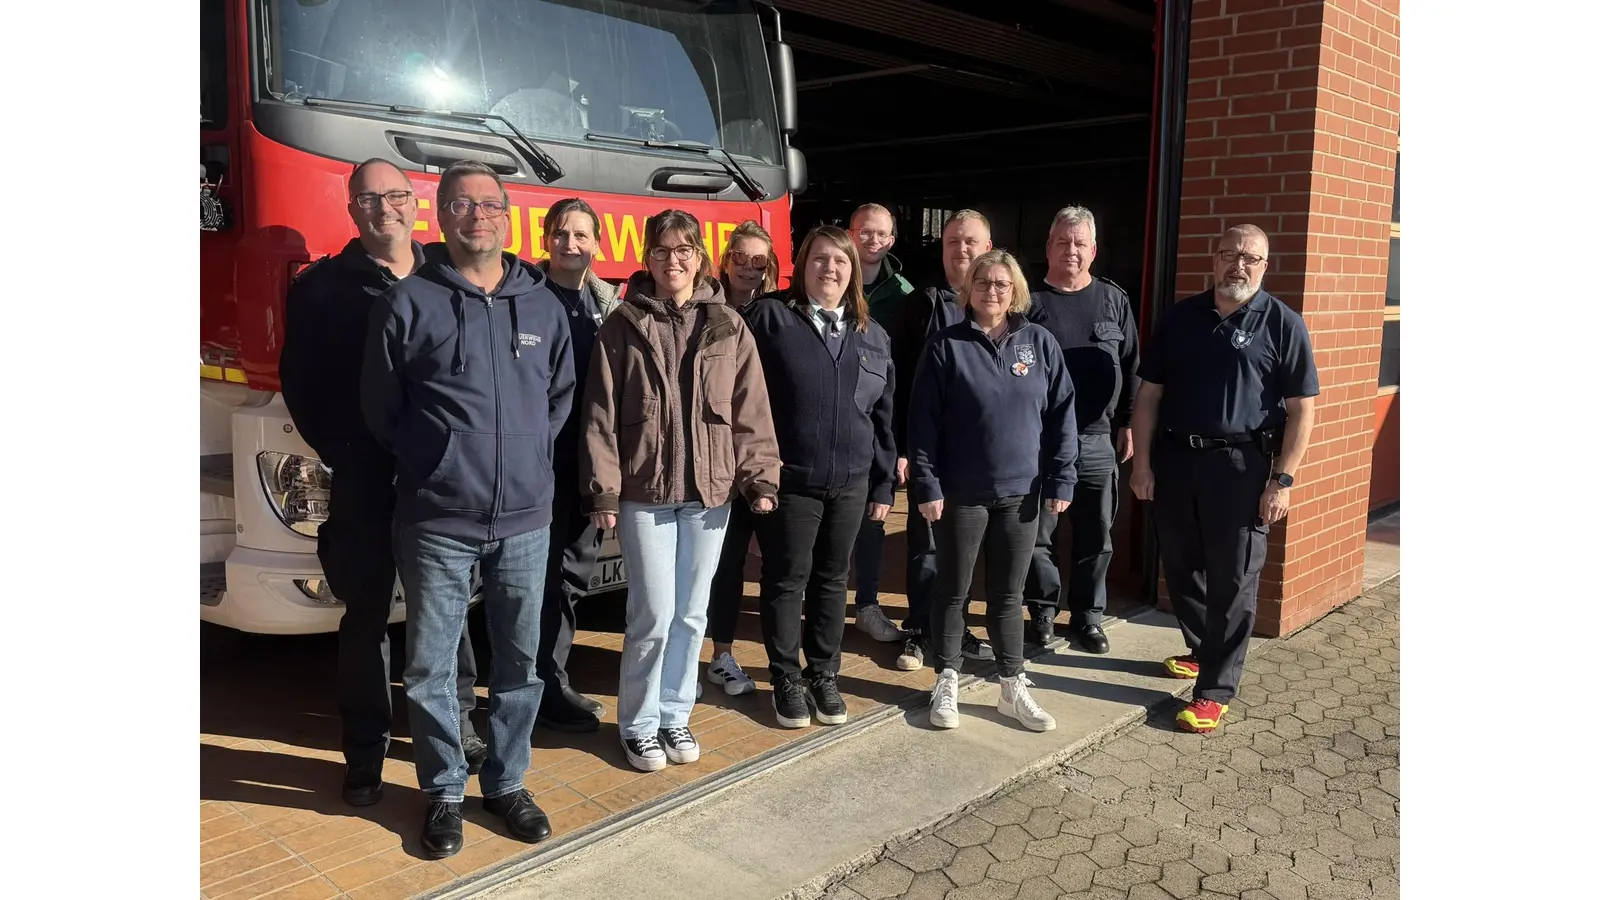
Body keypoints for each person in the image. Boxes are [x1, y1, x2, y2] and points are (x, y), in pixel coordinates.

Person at [362, 160, 574, 858]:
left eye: (488, 203)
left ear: (507, 214)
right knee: (428, 669)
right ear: (440, 216)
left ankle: (507, 783)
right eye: (460, 204)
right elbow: (381, 408)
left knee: (519, 664)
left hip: (525, 520)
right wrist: (440, 461)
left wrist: (525, 466)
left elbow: (559, 400)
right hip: (436, 520)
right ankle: (445, 792)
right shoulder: (408, 302)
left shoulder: (542, 304)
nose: (476, 214)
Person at [279, 158, 486, 808]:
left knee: (446, 613)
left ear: (414, 205)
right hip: (365, 479)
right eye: (368, 199)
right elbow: (301, 385)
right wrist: (342, 450)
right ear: (352, 211)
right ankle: (365, 754)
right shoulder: (320, 290)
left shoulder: (450, 278)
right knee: (365, 619)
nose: (383, 209)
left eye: (395, 196)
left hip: (438, 480)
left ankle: (459, 730)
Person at [581, 209, 781, 772]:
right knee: (652, 612)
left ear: (700, 257)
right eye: (663, 250)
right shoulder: (621, 324)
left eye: (685, 250)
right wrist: (603, 491)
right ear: (647, 258)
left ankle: (675, 715)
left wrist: (760, 476)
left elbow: (751, 409)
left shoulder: (727, 324)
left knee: (692, 614)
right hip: (644, 492)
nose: (675, 260)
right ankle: (638, 724)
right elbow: (600, 415)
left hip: (709, 493)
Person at [1129, 224, 1319, 735]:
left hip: (1242, 469)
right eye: (1229, 254)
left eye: (1251, 258)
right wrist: (1143, 463)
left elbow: (1303, 410)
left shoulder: (1283, 324)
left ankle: (1214, 689)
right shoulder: (1180, 319)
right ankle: (1201, 649)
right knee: (1182, 563)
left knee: (1234, 578)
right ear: (1214, 260)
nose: (1239, 265)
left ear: (1264, 266)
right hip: (1176, 461)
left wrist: (1283, 480)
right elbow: (1148, 397)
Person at [910, 248, 1078, 733]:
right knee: (953, 589)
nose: (992, 291)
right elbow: (922, 422)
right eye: (984, 283)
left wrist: (1062, 476)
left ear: (1016, 290)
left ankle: (1012, 682)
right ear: (970, 289)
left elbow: (1062, 414)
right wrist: (927, 482)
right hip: (961, 492)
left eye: (1002, 284)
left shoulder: (1039, 343)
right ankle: (946, 679)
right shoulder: (946, 345)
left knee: (1008, 594)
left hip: (1021, 494)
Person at [742, 225, 896, 728]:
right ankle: (786, 676)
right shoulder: (771, 318)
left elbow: (883, 418)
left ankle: (823, 673)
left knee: (832, 580)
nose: (829, 269)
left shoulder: (872, 334)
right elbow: (745, 399)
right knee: (787, 579)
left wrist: (881, 483)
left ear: (852, 273)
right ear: (802, 265)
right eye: (819, 260)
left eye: (840, 262)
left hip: (850, 480)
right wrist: (755, 474)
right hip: (791, 479)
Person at [1023, 206, 1140, 654]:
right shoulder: (1028, 301)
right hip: (1040, 440)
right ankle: (1043, 612)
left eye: (1079, 243)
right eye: (1062, 242)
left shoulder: (1113, 301)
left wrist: (1127, 421)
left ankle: (1089, 617)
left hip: (1096, 438)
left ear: (1093, 250)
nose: (1070, 250)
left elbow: (1132, 367)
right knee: (1038, 534)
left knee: (1096, 534)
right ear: (1048, 247)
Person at [892, 210, 995, 672]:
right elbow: (899, 379)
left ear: (988, 248)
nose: (961, 250)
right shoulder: (923, 302)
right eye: (953, 241)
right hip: (931, 450)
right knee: (926, 541)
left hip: (980, 457)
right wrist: (901, 446)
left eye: (970, 241)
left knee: (967, 547)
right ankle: (919, 630)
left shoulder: (1002, 308)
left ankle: (957, 629)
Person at [530, 197, 618, 733]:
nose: (571, 244)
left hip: (588, 465)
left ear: (596, 243)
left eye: (582, 235)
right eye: (561, 233)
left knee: (569, 578)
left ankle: (550, 681)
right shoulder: (526, 297)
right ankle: (532, 686)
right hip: (537, 463)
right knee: (534, 579)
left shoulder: (607, 306)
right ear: (546, 239)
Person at [705, 220, 781, 697]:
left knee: (776, 563)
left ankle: (782, 660)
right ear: (725, 260)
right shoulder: (705, 310)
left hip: (764, 458)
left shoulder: (778, 313)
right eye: (741, 258)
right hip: (716, 460)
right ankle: (720, 655)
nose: (749, 269)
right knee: (725, 565)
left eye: (760, 262)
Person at [845, 203, 916, 644]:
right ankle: (824, 606)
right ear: (850, 233)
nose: (872, 240)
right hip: (832, 420)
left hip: (877, 424)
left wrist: (902, 444)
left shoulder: (906, 296)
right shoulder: (831, 274)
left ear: (891, 240)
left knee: (874, 518)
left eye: (881, 234)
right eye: (864, 232)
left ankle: (868, 605)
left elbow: (906, 374)